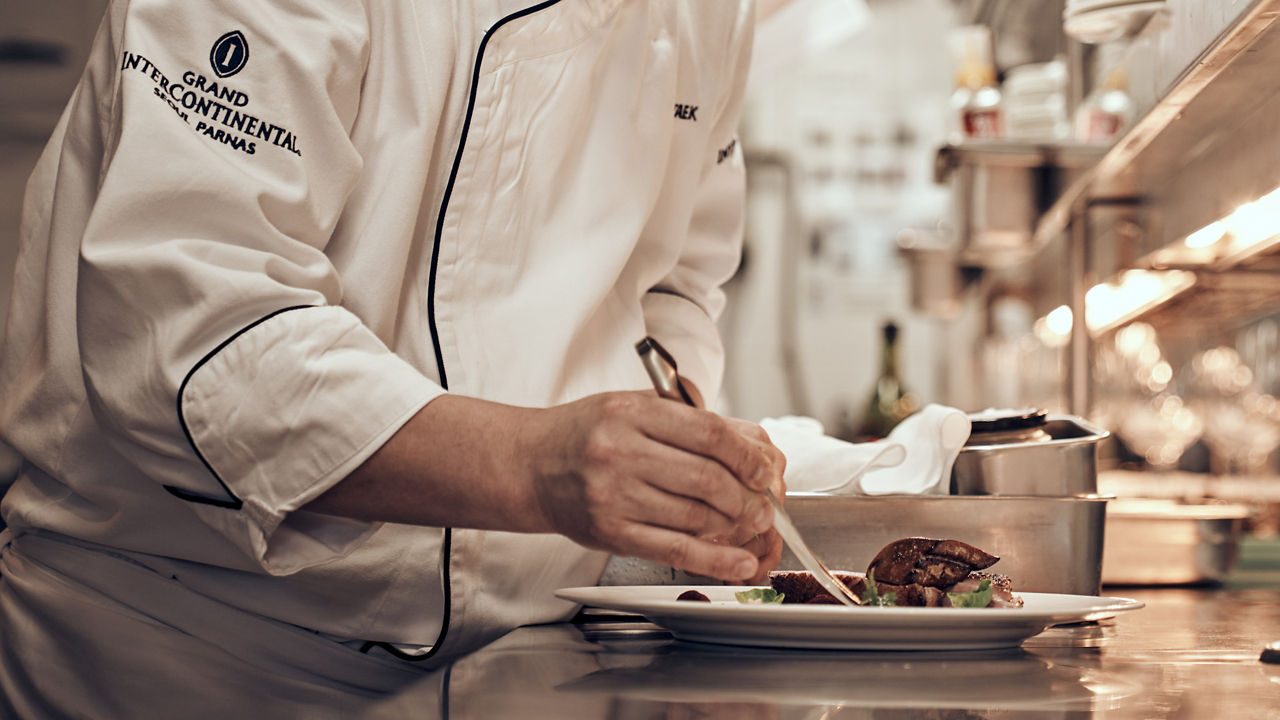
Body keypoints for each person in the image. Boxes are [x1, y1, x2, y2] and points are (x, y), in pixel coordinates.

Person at [0, 0, 784, 714]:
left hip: (519, 662)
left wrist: (675, 477)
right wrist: (534, 465)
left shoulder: (711, 13)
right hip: (188, 653)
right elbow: (190, 329)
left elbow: (670, 289)